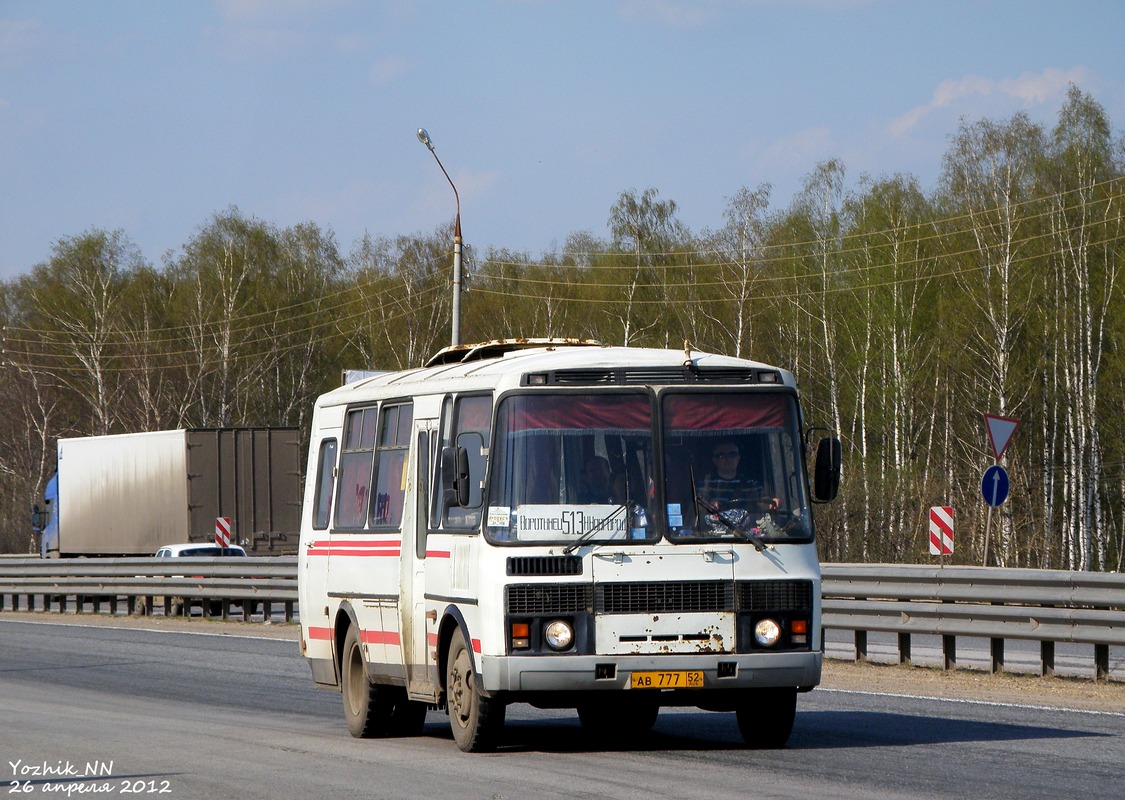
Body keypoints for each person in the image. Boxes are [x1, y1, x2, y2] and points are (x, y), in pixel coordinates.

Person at [699, 441, 763, 510]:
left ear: (738, 459)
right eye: (722, 455)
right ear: (715, 460)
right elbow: (698, 507)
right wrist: (710, 506)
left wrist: (773, 502)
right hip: (716, 521)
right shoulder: (706, 483)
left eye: (732, 454)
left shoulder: (751, 483)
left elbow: (764, 502)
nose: (728, 458)